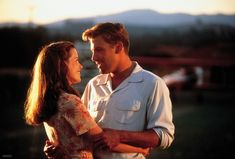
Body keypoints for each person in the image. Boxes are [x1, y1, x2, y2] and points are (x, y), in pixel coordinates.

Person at [45, 22, 175, 159]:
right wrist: (60, 147)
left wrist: (120, 136)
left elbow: (164, 136)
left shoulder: (153, 84)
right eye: (92, 51)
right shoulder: (93, 85)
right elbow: (79, 131)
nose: (93, 58)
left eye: (99, 50)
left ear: (118, 48)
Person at [24, 41, 150, 159]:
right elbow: (102, 141)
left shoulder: (48, 100)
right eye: (76, 60)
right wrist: (140, 150)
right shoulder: (69, 102)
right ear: (62, 66)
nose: (81, 66)